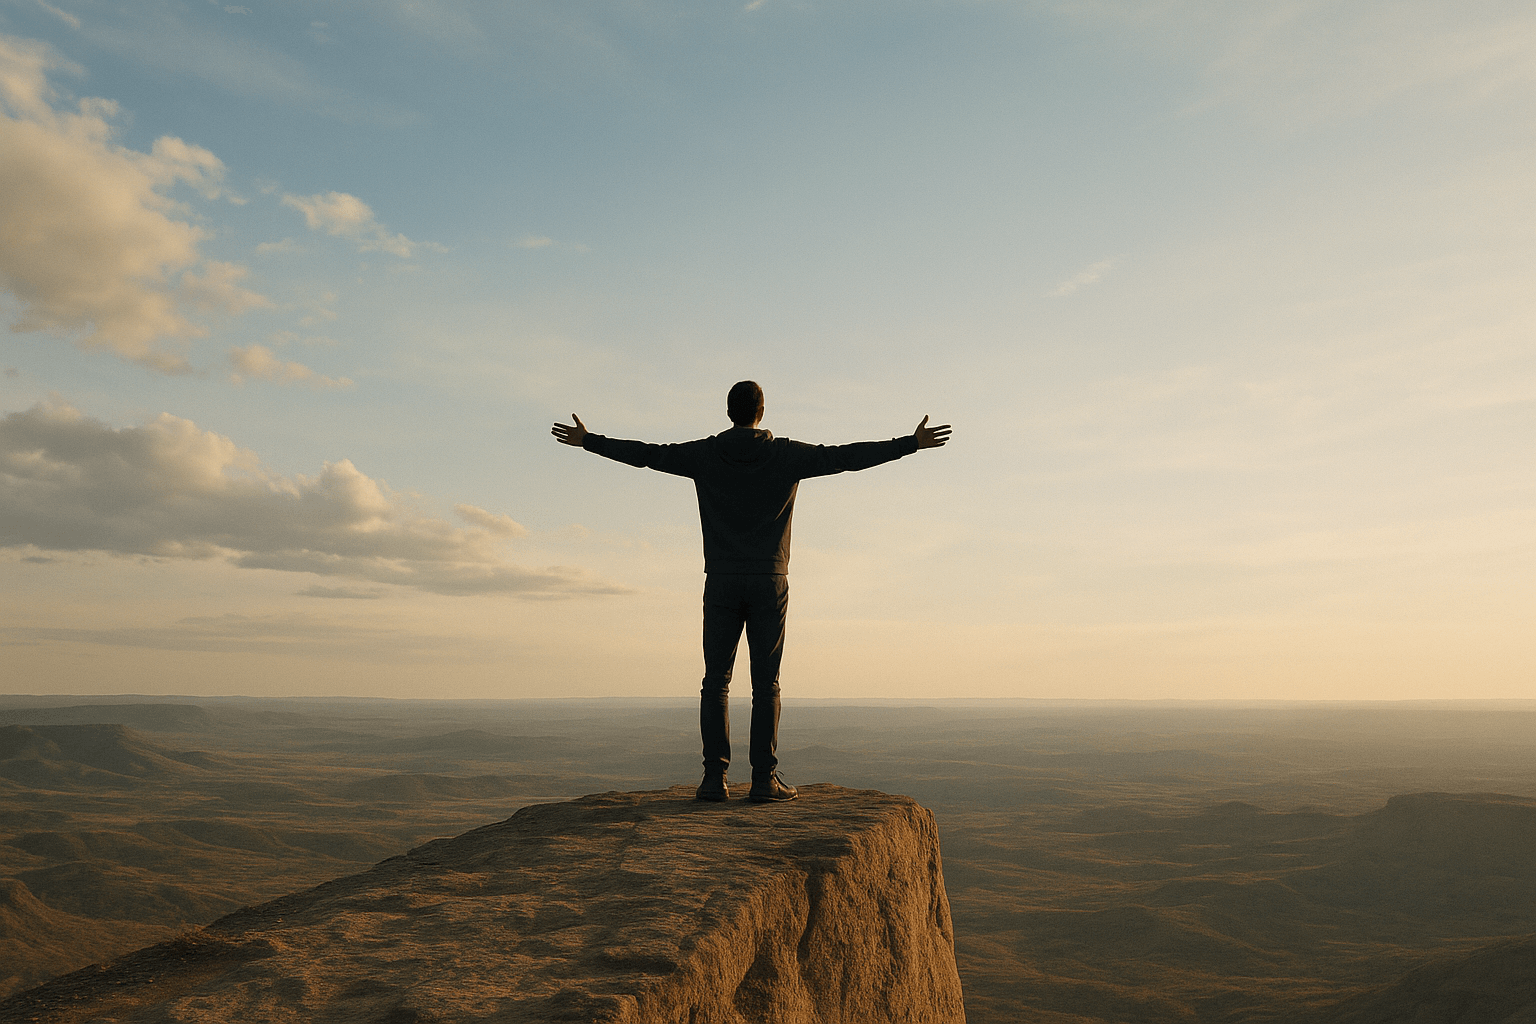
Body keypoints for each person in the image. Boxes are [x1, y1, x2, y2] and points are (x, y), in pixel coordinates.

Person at [552, 381, 951, 803]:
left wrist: (588, 441)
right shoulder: (786, 454)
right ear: (762, 412)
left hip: (721, 579)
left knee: (715, 683)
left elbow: (648, 455)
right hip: (769, 581)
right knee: (766, 684)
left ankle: (713, 780)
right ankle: (764, 780)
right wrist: (909, 444)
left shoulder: (705, 454)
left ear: (729, 412)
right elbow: (845, 458)